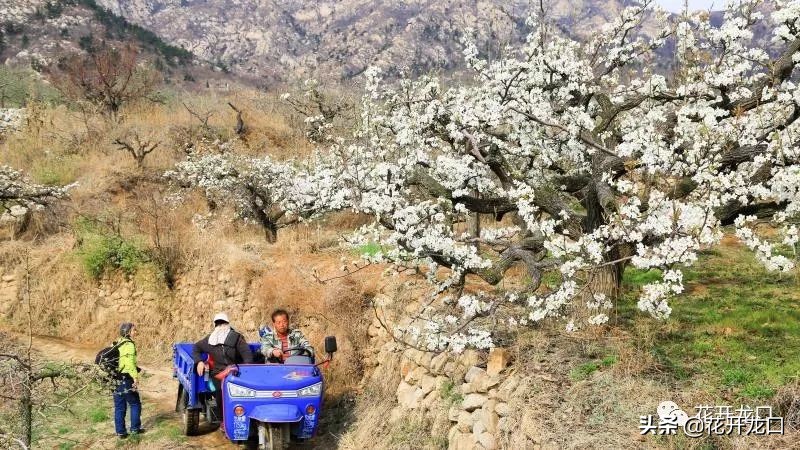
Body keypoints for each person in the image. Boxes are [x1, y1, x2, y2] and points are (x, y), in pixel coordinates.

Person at [192, 312, 253, 424]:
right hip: (218, 373)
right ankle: (223, 420)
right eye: (218, 323)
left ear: (228, 324)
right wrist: (199, 361)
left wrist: (246, 370)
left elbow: (247, 355)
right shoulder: (210, 340)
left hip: (236, 371)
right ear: (215, 325)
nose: (221, 326)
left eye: (223, 323)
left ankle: (245, 417)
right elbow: (196, 347)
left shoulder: (237, 338)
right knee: (221, 390)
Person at [115, 322, 143, 439]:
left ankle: (121, 432)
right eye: (134, 330)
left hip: (115, 378)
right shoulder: (129, 345)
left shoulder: (117, 342)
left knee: (119, 406)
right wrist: (135, 378)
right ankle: (135, 429)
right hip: (126, 378)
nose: (135, 332)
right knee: (135, 403)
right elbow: (130, 363)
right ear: (128, 332)